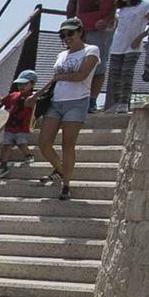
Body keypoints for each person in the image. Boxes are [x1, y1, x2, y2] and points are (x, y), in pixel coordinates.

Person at [37, 17, 101, 201]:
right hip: (56, 101)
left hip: (77, 101)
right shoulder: (61, 55)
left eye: (70, 33)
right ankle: (60, 169)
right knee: (44, 143)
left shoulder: (91, 50)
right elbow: (54, 78)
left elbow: (81, 75)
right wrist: (37, 95)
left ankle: (66, 184)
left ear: (80, 32)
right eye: (63, 35)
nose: (66, 37)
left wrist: (61, 76)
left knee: (67, 144)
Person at [65, 0, 124, 105]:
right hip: (80, 28)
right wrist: (68, 25)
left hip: (101, 28)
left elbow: (119, 0)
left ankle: (91, 100)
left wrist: (108, 18)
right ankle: (76, 97)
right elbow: (72, 1)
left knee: (97, 64)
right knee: (76, 62)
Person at [105, 0, 149, 114]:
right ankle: (116, 103)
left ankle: (124, 103)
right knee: (115, 75)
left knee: (127, 73)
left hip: (133, 46)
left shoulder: (145, 6)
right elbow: (117, 27)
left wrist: (140, 37)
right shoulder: (121, 9)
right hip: (117, 45)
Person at [0, 71, 38, 177]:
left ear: (32, 84)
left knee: (21, 143)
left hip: (22, 127)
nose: (21, 86)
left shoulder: (31, 98)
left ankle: (28, 155)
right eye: (20, 84)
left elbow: (33, 100)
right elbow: (1, 99)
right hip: (10, 127)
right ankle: (3, 166)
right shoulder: (14, 95)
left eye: (25, 84)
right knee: (6, 145)